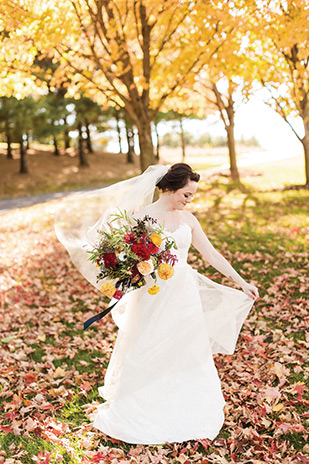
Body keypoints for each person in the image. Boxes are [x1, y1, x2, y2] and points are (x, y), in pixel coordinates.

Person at [55, 162, 258, 445]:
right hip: (152, 295)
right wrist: (128, 273)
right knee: (149, 345)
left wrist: (242, 282)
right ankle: (142, 403)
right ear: (170, 188)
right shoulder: (141, 218)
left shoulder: (189, 220)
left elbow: (212, 255)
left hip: (184, 293)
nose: (190, 200)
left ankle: (189, 402)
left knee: (188, 347)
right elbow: (123, 256)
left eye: (193, 195)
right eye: (187, 194)